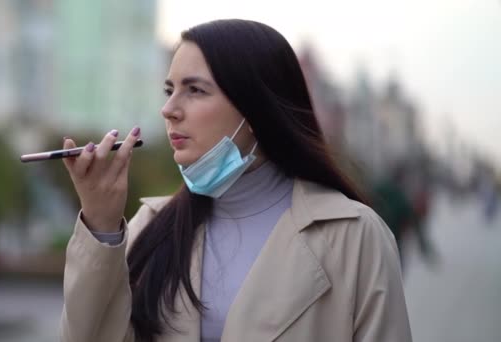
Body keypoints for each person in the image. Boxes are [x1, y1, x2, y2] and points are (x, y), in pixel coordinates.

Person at [59, 19, 412, 342]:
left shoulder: (355, 235)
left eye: (195, 90)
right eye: (170, 91)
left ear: (256, 108)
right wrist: (101, 224)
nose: (169, 109)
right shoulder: (151, 227)